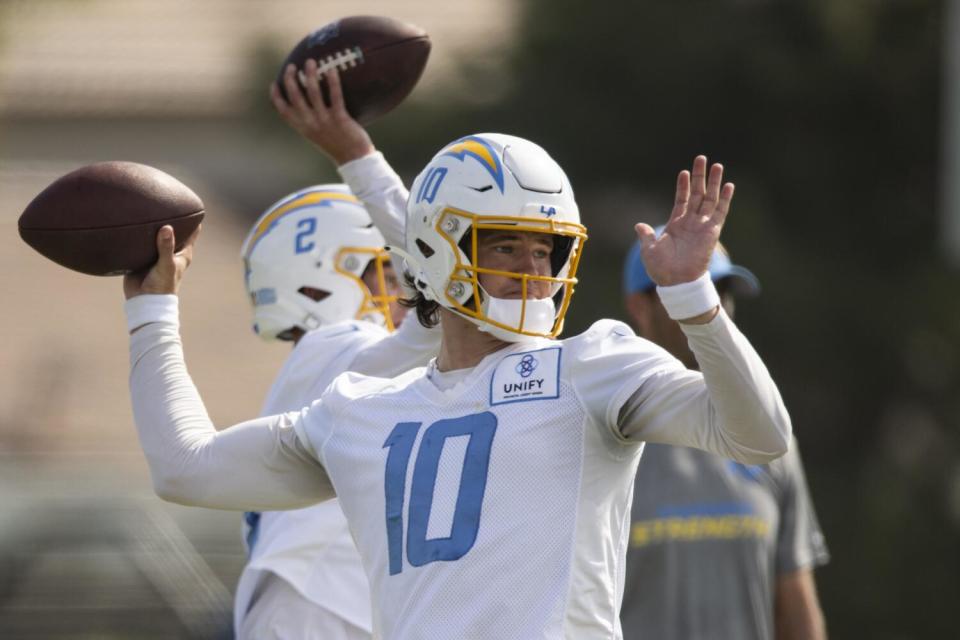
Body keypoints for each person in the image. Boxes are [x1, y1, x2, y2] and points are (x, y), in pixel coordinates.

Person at [122, 64, 791, 639]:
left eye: (546, 249)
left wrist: (695, 302)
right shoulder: (357, 408)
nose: (533, 269)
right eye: (505, 245)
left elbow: (759, 435)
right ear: (441, 250)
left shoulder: (593, 366)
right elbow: (184, 469)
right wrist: (151, 308)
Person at [234, 181, 441, 638]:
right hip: (321, 604)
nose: (407, 295)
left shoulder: (321, 362)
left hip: (322, 600)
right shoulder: (338, 346)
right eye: (390, 277)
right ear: (317, 282)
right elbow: (443, 318)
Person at [620, 239, 830, 640]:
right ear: (639, 307)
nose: (714, 309)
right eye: (689, 292)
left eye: (721, 294)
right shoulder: (603, 436)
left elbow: (795, 600)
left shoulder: (769, 442)